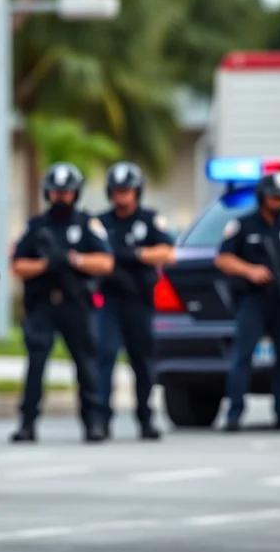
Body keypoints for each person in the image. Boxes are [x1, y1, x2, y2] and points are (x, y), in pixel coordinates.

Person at [9, 162, 114, 443]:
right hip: (43, 305)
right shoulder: (37, 227)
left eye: (66, 192)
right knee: (36, 365)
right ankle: (27, 424)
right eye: (56, 192)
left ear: (76, 193)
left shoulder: (87, 224)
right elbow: (17, 265)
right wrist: (45, 265)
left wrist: (73, 260)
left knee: (87, 366)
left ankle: (94, 423)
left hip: (76, 305)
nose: (60, 197)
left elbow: (105, 262)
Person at [214, 171, 280, 432]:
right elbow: (223, 258)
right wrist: (249, 270)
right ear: (262, 197)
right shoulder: (243, 225)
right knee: (243, 356)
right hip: (253, 299)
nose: (279, 201)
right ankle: (235, 413)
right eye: (274, 197)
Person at [95, 162, 175, 440]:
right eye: (117, 191)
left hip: (140, 301)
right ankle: (101, 419)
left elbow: (167, 252)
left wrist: (135, 254)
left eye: (127, 191)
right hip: (109, 300)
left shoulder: (150, 219)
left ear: (137, 192)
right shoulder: (101, 223)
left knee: (142, 361)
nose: (122, 197)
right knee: (104, 357)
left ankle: (145, 417)